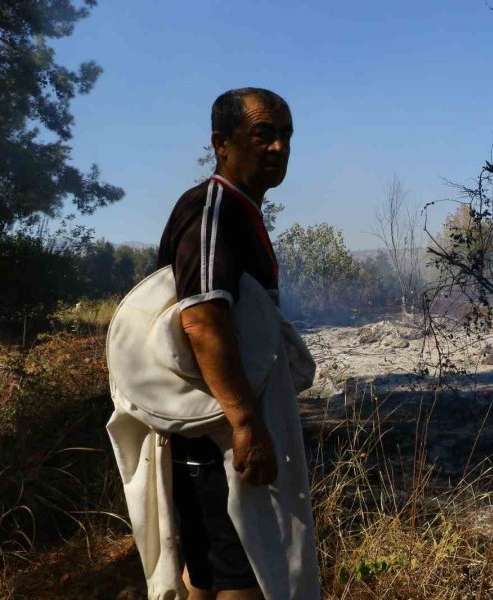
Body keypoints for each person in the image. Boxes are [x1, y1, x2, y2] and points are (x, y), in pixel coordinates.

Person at [154, 87, 311, 600]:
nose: (279, 147)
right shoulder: (213, 207)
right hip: (218, 434)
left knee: (210, 570)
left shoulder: (239, 210)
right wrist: (246, 423)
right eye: (263, 134)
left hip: (217, 430)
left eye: (285, 135)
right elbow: (202, 319)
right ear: (222, 144)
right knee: (245, 574)